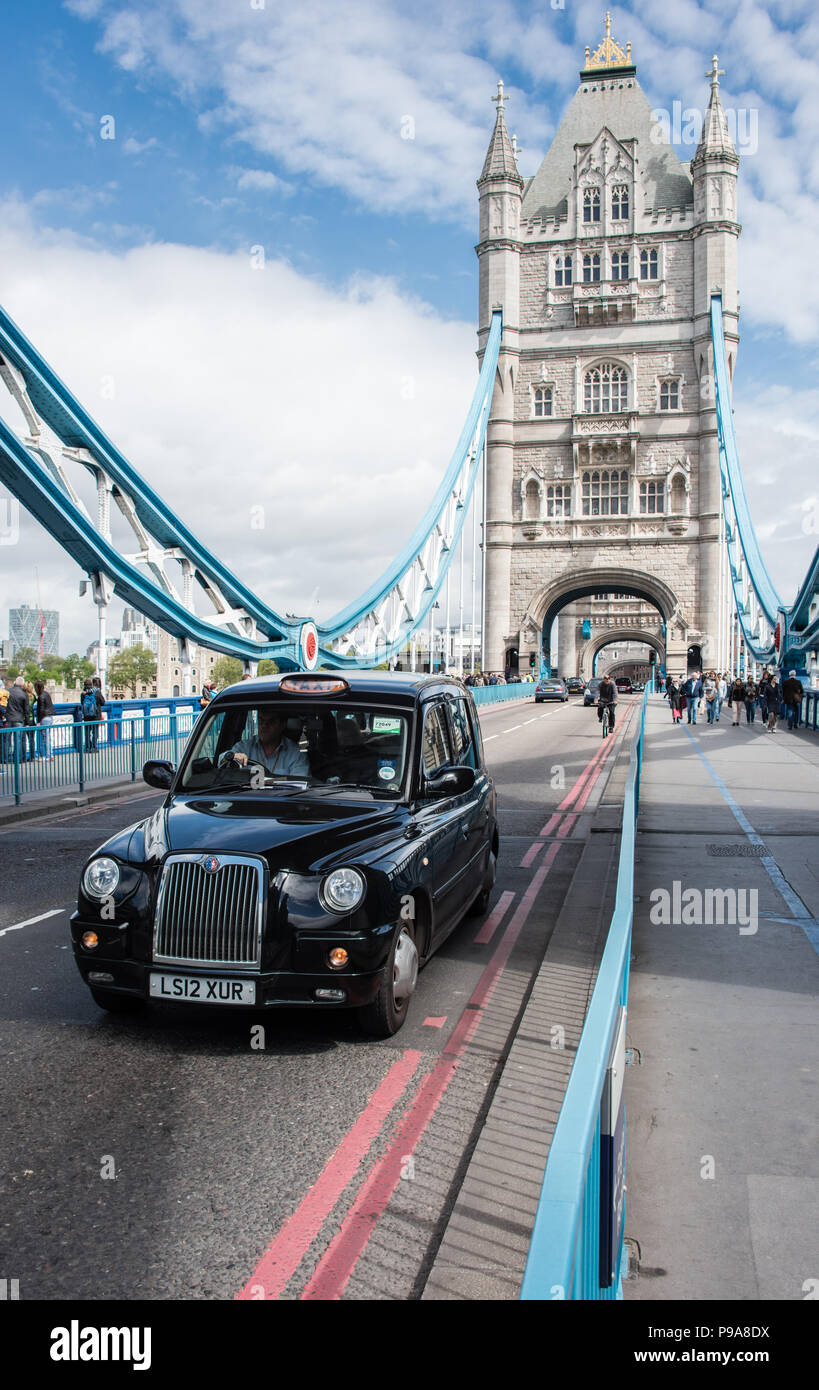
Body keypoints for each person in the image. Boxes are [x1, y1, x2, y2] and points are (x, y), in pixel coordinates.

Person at [220, 709, 309, 777]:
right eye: (261, 720)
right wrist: (231, 756)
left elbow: (299, 787)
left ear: (282, 725)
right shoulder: (245, 747)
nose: (264, 725)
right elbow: (221, 761)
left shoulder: (295, 753)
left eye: (271, 721)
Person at [34, 680, 55, 760]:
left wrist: (39, 721)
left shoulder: (41, 697)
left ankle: (47, 755)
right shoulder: (46, 694)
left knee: (45, 737)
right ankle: (50, 754)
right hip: (50, 717)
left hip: (44, 718)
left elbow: (41, 710)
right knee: (48, 737)